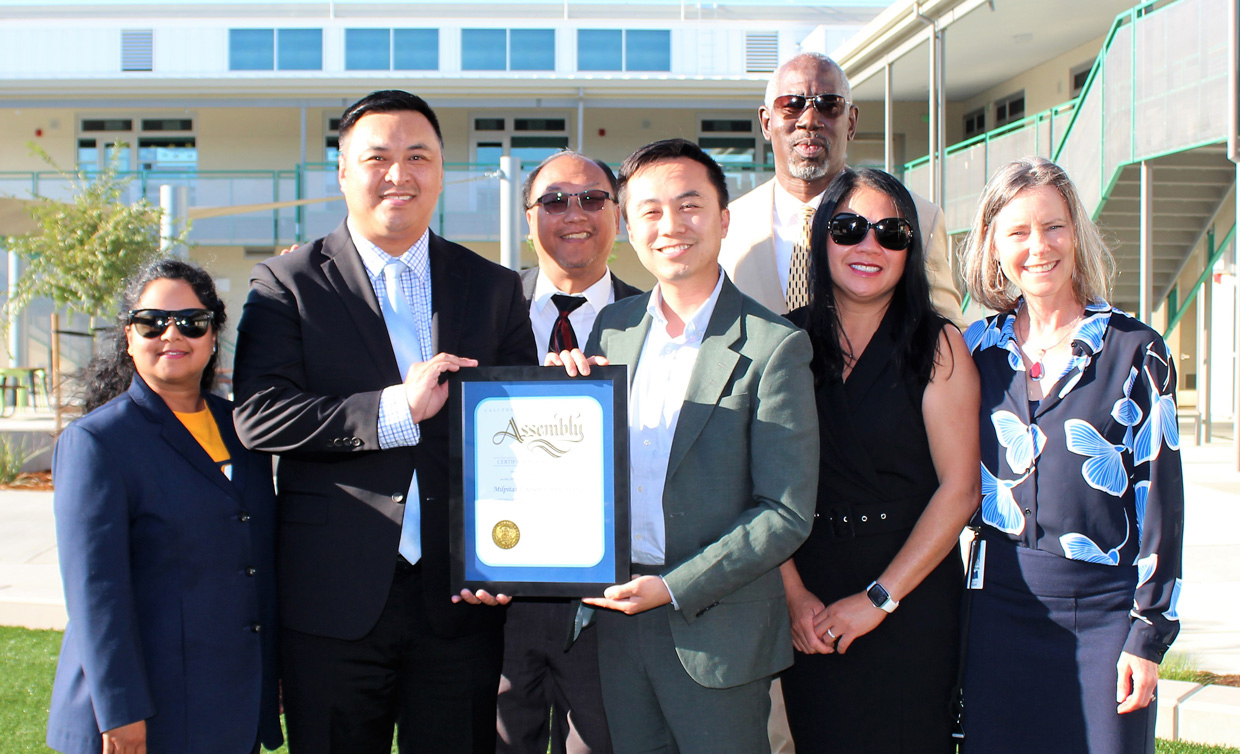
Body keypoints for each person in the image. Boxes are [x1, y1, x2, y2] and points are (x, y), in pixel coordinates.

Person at [232, 89, 537, 754]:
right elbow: (259, 416)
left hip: (461, 602)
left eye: (418, 156)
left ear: (441, 171)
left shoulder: (492, 287)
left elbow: (522, 435)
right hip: (333, 602)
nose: (399, 173)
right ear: (343, 174)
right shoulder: (285, 283)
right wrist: (395, 410)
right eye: (378, 158)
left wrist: (509, 555)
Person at [551, 138, 819, 754]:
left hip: (716, 629)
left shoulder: (774, 345)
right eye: (648, 210)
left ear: (723, 220)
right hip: (616, 623)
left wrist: (672, 586)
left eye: (689, 205)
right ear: (627, 227)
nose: (670, 226)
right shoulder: (610, 330)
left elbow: (785, 512)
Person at [958, 156, 1184, 754]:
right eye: (1019, 232)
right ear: (993, 244)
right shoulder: (972, 350)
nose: (1039, 246)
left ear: (1076, 232)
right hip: (995, 613)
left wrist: (1148, 632)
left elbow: (1162, 504)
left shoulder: (1139, 351)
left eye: (1054, 226)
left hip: (1107, 619)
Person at [777, 168, 980, 754]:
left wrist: (878, 600)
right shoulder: (784, 344)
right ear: (822, 240)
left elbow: (960, 490)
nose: (869, 245)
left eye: (891, 232)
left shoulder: (938, 344)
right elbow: (760, 485)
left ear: (911, 249)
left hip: (909, 596)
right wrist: (794, 597)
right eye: (848, 228)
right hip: (808, 602)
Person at [47, 259, 281, 754]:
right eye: (152, 322)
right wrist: (121, 711)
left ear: (213, 336)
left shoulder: (245, 430)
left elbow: (258, 560)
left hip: (228, 699)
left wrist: (273, 669)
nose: (171, 334)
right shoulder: (98, 441)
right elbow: (96, 591)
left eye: (192, 323)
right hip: (144, 707)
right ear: (129, 337)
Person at [497, 151, 641, 754]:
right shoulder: (481, 311)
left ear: (619, 215)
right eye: (554, 200)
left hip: (613, 608)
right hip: (499, 603)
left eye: (592, 199)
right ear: (529, 219)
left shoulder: (658, 321)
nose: (573, 213)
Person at [720, 52, 964, 327]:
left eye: (829, 105)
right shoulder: (725, 227)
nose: (809, 120)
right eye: (791, 105)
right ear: (766, 122)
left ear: (851, 121)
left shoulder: (918, 218)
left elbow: (949, 334)